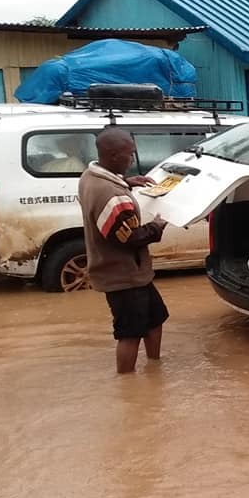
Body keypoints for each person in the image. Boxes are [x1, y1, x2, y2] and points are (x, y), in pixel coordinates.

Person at [77, 127, 168, 374]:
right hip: (123, 276)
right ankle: (127, 384)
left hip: (134, 273)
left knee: (155, 318)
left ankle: (154, 367)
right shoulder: (112, 195)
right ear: (115, 156)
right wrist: (157, 226)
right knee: (130, 334)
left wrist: (128, 182)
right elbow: (128, 237)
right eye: (130, 155)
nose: (132, 159)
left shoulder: (90, 176)